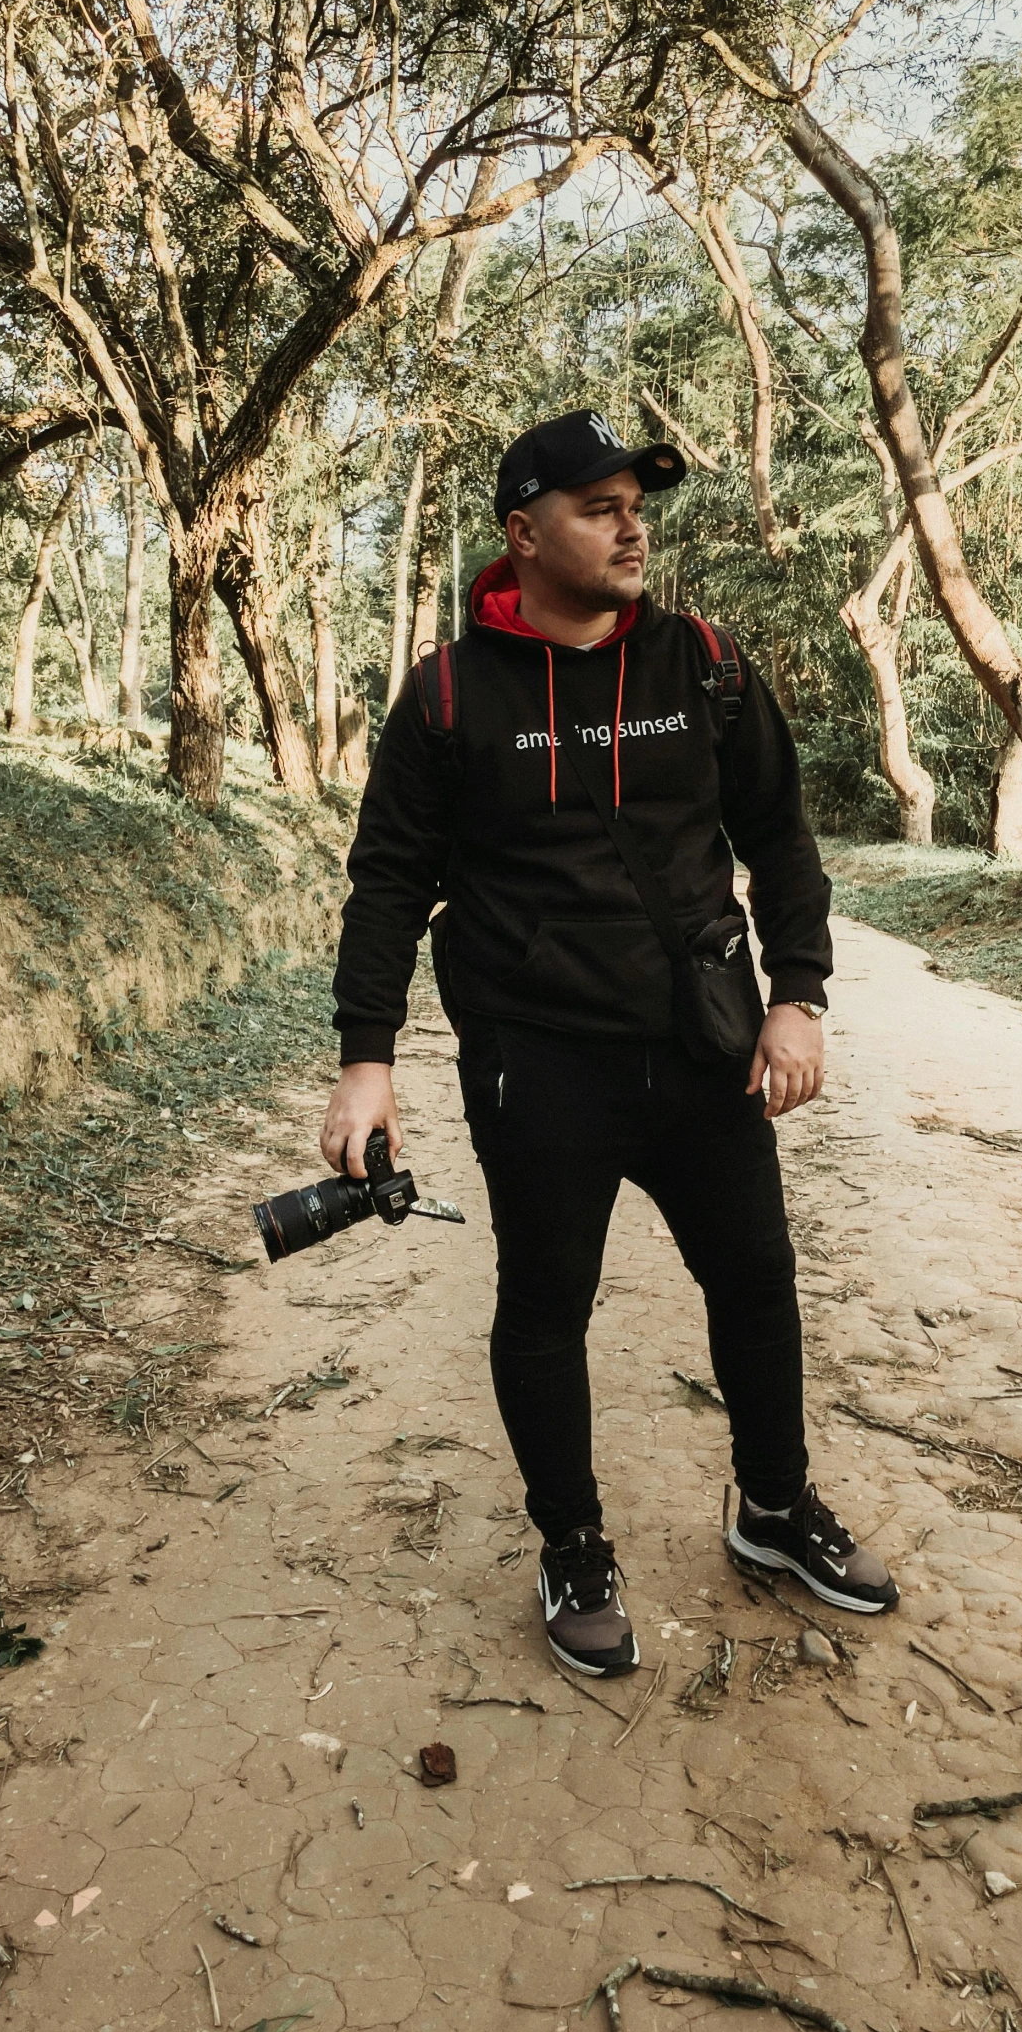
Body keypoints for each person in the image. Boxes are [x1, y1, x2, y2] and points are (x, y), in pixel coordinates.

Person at [323, 407, 898, 1677]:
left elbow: (780, 837)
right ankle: (573, 1542)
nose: (632, 523)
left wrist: (796, 993)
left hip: (701, 1043)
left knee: (754, 1276)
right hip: (541, 1065)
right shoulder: (449, 696)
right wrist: (369, 1059)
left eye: (639, 502)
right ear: (523, 533)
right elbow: (387, 882)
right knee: (545, 1307)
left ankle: (772, 1505)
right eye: (599, 505)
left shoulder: (704, 662)